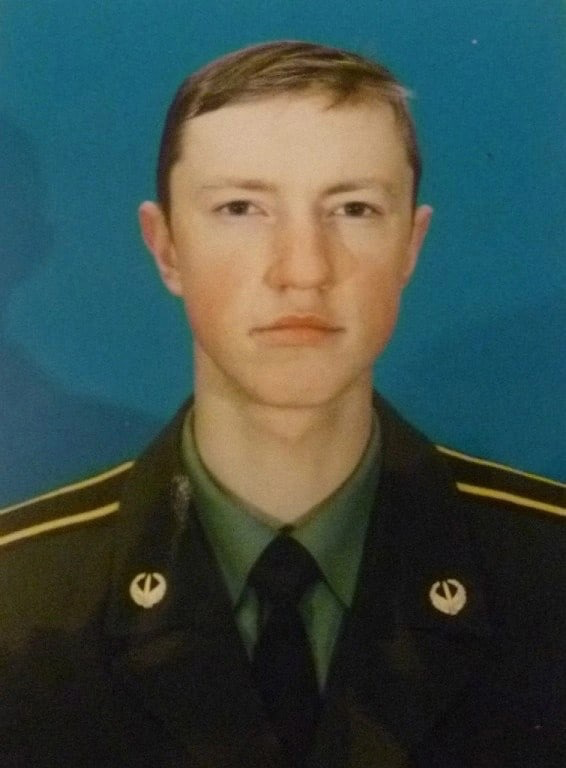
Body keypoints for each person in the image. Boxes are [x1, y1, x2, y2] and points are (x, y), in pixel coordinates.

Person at [0, 41, 564, 768]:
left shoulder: (549, 571)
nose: (303, 270)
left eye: (354, 208)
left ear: (410, 245)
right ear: (166, 247)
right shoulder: (16, 597)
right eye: (241, 208)